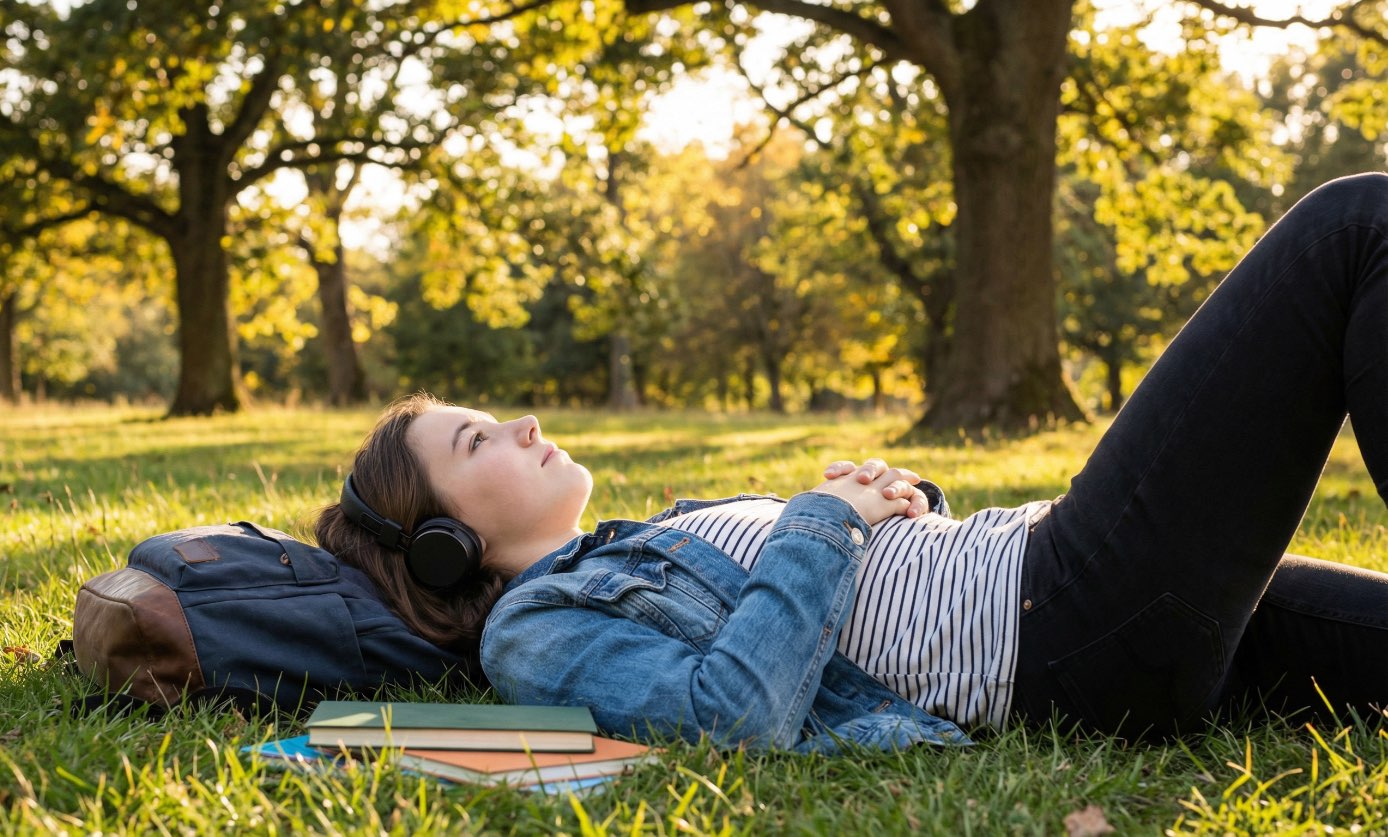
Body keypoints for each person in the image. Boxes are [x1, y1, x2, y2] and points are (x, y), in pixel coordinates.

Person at [315, 173, 1388, 752]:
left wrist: (894, 505)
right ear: (451, 548)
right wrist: (820, 521)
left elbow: (859, 606)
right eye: (475, 440)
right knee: (1351, 228)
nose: (521, 426)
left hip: (1061, 594)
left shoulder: (643, 539)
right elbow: (732, 712)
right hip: (1060, 621)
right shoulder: (532, 633)